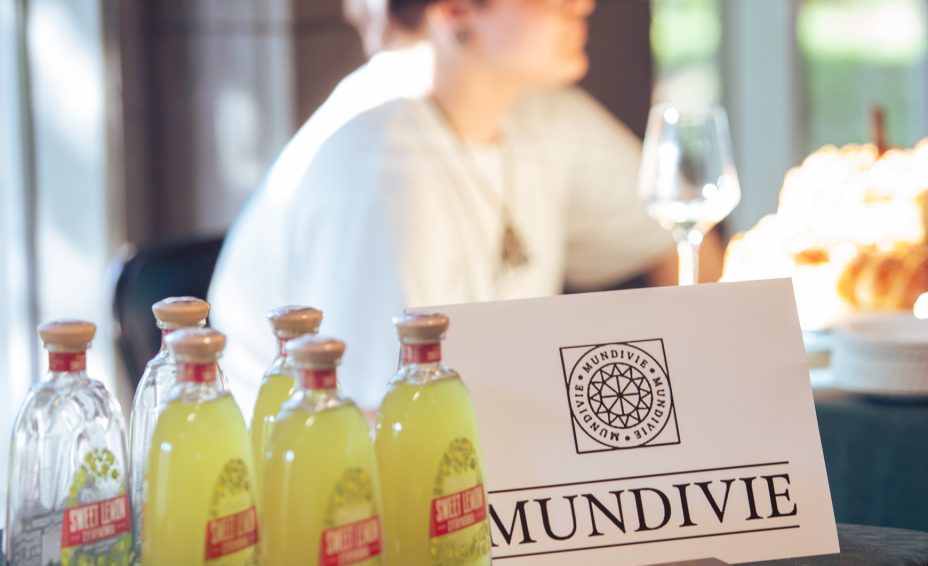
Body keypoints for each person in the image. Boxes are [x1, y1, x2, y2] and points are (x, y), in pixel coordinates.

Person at [209, 0, 682, 414]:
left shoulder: (541, 113)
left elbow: (677, 230)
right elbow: (382, 421)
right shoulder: (378, 166)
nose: (582, 4)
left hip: (489, 444)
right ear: (454, 10)